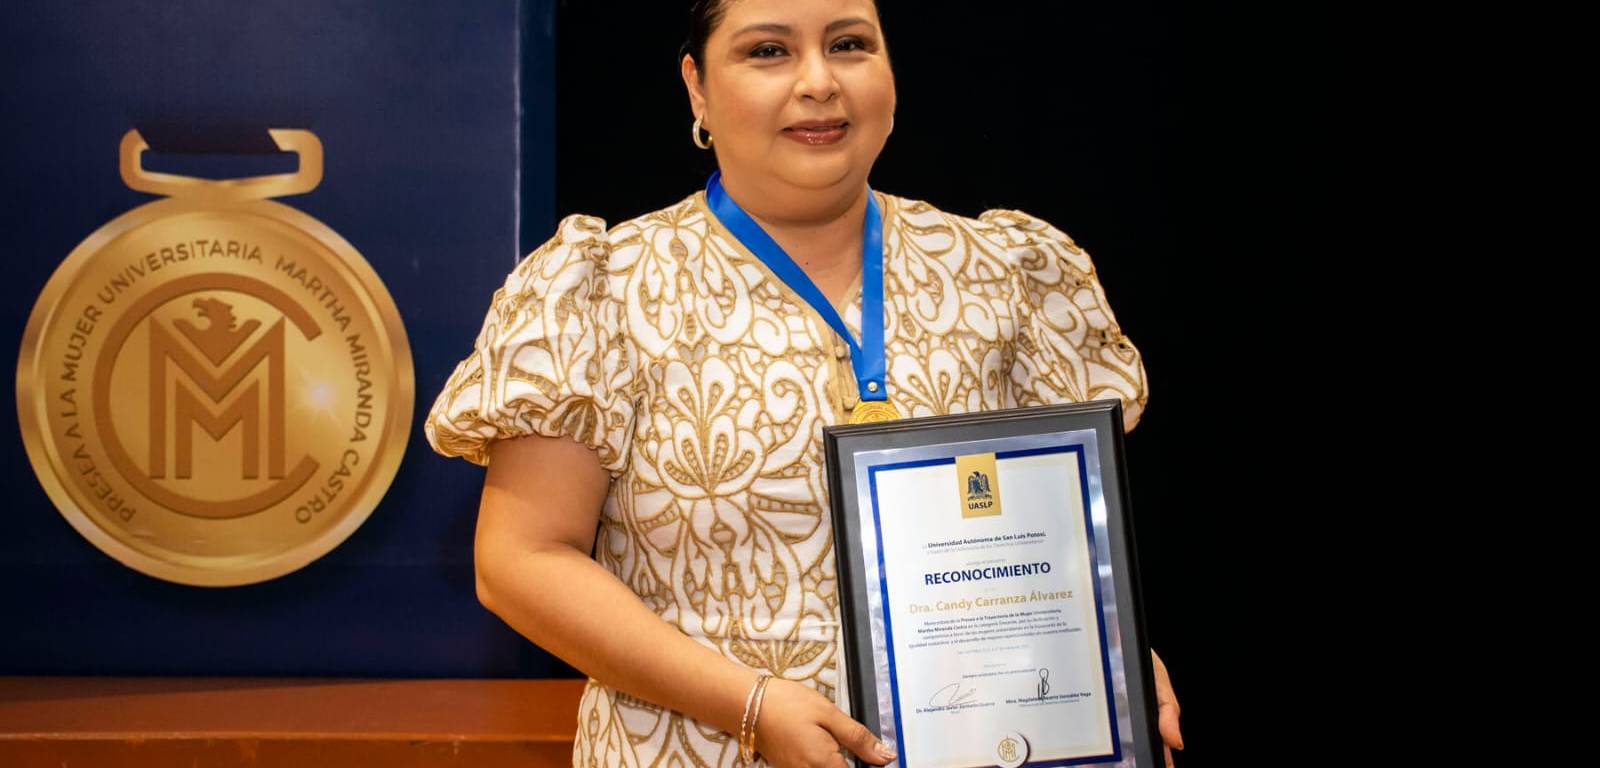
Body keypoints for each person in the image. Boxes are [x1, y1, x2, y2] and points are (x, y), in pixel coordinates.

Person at [425, 1, 1184, 766]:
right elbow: (521, 561)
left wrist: (1103, 650)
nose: (819, 82)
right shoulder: (607, 287)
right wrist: (750, 705)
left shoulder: (1002, 273)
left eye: (849, 44)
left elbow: (1053, 542)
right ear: (697, 88)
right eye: (769, 51)